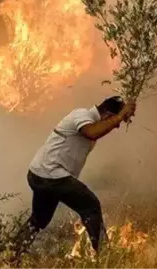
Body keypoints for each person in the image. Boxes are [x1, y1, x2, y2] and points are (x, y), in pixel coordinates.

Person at [12, 96, 136, 258]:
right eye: (116, 121)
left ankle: (11, 255)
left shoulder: (88, 119)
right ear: (107, 114)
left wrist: (122, 114)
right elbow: (92, 132)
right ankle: (107, 258)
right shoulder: (82, 115)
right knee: (91, 206)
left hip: (40, 174)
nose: (117, 126)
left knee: (39, 220)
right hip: (51, 175)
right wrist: (120, 116)